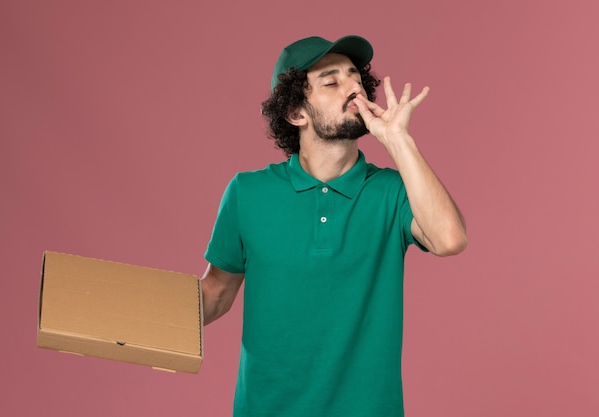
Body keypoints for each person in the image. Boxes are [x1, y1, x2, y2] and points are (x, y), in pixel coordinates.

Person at [200, 35, 467, 417]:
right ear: (296, 112)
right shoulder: (247, 192)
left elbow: (450, 240)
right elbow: (216, 294)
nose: (354, 87)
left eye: (355, 76)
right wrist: (139, 320)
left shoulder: (392, 191)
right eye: (331, 81)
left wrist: (398, 141)